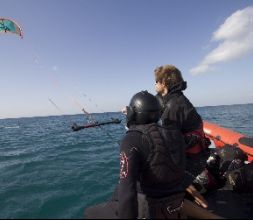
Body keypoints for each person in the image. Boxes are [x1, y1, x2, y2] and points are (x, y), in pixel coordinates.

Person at [118, 90, 187, 219]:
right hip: (176, 204)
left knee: (91, 212)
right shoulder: (176, 133)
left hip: (151, 209)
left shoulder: (131, 139)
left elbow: (127, 191)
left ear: (132, 113)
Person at [154, 64, 211, 189]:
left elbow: (168, 140)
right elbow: (154, 103)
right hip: (188, 153)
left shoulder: (175, 104)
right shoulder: (169, 98)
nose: (155, 84)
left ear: (164, 83)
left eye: (156, 81)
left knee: (163, 188)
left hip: (192, 159)